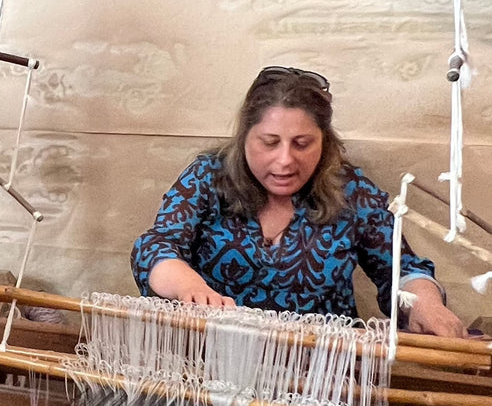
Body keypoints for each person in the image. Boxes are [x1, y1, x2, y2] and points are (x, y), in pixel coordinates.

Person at [131, 65, 467, 336]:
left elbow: (402, 269)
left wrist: (426, 304)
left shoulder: (352, 192)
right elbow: (157, 246)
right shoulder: (208, 177)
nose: (285, 160)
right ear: (244, 137)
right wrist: (188, 285)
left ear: (325, 141)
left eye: (302, 143)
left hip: (319, 382)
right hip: (211, 373)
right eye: (270, 142)